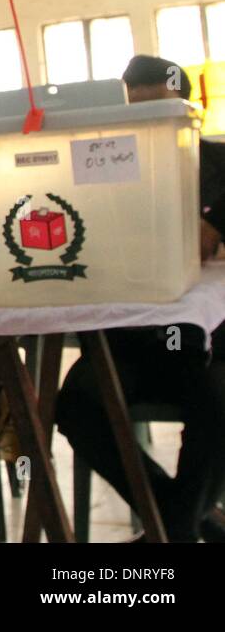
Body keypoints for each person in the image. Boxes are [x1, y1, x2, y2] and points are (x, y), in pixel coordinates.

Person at [55, 54, 225, 541]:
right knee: (78, 405)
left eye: (159, 115)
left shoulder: (219, 166)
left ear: (190, 110)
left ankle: (167, 530)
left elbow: (201, 240)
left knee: (220, 407)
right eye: (135, 115)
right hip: (131, 346)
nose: (146, 129)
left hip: (211, 348)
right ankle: (182, 522)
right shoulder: (101, 172)